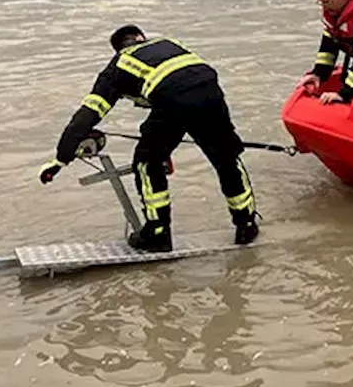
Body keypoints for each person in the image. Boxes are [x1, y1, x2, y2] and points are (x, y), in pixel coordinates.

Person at [40, 25, 258, 252]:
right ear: (141, 38)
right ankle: (246, 224)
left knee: (146, 163)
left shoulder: (118, 66)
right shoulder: (169, 42)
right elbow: (187, 78)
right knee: (226, 157)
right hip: (210, 91)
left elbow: (87, 115)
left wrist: (60, 159)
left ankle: (157, 233)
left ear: (118, 49)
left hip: (173, 101)